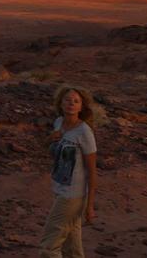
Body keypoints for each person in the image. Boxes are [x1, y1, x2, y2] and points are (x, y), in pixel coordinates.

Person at [39, 85, 98, 257]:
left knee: (48, 247)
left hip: (72, 195)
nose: (71, 103)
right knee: (72, 246)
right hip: (58, 189)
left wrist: (90, 206)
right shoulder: (58, 122)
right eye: (67, 100)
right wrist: (51, 137)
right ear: (61, 103)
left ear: (81, 106)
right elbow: (46, 147)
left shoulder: (84, 132)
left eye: (76, 101)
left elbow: (92, 171)